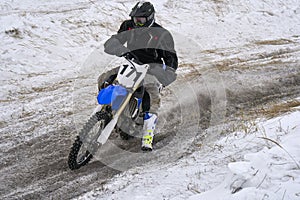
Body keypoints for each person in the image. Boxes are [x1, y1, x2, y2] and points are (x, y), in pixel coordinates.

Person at [100, 1, 178, 151]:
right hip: (131, 63)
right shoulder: (128, 26)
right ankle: (106, 111)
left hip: (151, 69)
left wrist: (167, 72)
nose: (137, 23)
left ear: (150, 18)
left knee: (152, 95)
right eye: (135, 19)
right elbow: (113, 41)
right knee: (104, 78)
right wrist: (117, 47)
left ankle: (147, 137)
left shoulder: (162, 34)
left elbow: (171, 59)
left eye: (141, 20)